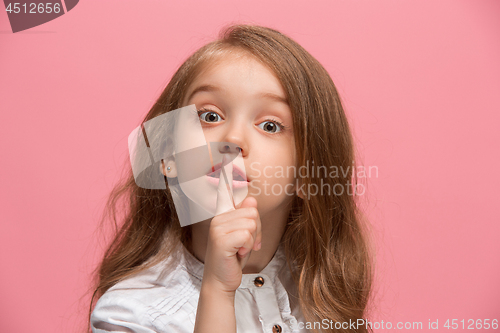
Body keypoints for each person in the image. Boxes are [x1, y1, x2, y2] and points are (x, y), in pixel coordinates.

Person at [88, 24, 373, 333]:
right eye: (210, 116)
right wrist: (217, 292)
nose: (233, 139)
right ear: (168, 157)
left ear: (307, 174)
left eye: (270, 125)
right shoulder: (130, 314)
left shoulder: (322, 297)